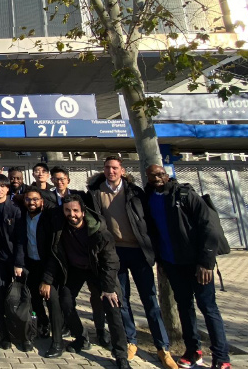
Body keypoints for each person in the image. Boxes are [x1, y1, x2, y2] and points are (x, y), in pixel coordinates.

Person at [86, 156, 176, 369]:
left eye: (115, 168)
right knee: (121, 300)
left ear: (122, 170)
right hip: (114, 253)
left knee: (149, 300)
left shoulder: (136, 192)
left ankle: (162, 346)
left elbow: (149, 222)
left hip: (138, 252)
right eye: (107, 167)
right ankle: (131, 340)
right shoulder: (96, 193)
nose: (111, 171)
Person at [145, 165, 231, 369]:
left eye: (160, 174)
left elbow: (208, 227)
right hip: (172, 263)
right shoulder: (149, 198)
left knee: (208, 308)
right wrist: (161, 262)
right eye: (152, 175)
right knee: (184, 307)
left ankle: (221, 356)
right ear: (147, 177)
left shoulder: (185, 194)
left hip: (197, 264)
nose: (157, 178)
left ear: (167, 175)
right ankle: (193, 350)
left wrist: (206, 263)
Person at [40, 195, 130, 369]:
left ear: (83, 211)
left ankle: (120, 354)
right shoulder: (60, 227)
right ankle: (81, 337)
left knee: (112, 307)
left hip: (98, 270)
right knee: (65, 301)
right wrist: (47, 280)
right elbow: (55, 255)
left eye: (75, 210)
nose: (71, 214)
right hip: (74, 270)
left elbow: (111, 261)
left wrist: (109, 288)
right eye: (67, 210)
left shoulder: (99, 231)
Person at [50, 166, 109, 347]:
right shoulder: (48, 197)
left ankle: (101, 332)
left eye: (62, 178)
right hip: (68, 260)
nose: (59, 181)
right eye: (56, 179)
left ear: (68, 179)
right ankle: (79, 334)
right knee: (66, 299)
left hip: (92, 261)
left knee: (99, 299)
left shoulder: (80, 196)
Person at [0, 174, 25, 350]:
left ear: (8, 189)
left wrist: (18, 263)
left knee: (19, 298)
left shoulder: (15, 210)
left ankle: (23, 333)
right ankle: (5, 334)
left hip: (13, 259)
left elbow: (19, 240)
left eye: (3, 186)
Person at [13, 187, 52, 348]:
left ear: (42, 201)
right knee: (34, 298)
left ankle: (57, 331)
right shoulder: (23, 215)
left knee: (52, 299)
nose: (32, 202)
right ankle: (41, 325)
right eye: (28, 199)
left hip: (47, 263)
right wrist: (19, 263)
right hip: (31, 262)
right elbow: (21, 241)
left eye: (35, 199)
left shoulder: (48, 217)